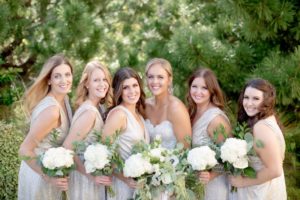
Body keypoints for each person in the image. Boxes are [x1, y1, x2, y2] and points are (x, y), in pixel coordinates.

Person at [18, 54, 73, 200]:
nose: (64, 80)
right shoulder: (52, 111)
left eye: (67, 74)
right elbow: (24, 150)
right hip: (39, 176)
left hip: (52, 175)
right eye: (57, 76)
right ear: (49, 80)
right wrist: (48, 177)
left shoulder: (65, 99)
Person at [63, 60, 113, 199]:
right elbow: (67, 148)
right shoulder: (89, 112)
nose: (102, 84)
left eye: (105, 80)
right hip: (84, 181)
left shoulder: (98, 108)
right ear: (86, 83)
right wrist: (90, 176)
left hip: (93, 178)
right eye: (96, 80)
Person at [229, 78, 286, 200]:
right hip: (263, 189)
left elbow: (275, 170)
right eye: (246, 97)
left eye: (255, 99)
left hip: (260, 193)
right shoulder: (266, 119)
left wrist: (242, 182)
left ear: (266, 101)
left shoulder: (261, 127)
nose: (249, 103)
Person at [144, 58, 192, 199]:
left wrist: (175, 185)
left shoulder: (176, 108)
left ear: (169, 79)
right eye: (151, 77)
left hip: (171, 182)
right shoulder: (144, 106)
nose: (155, 81)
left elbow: (185, 151)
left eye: (160, 77)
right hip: (147, 180)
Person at [102, 67, 149, 200]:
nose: (132, 91)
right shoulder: (119, 114)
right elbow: (105, 154)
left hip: (139, 186)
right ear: (119, 91)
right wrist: (125, 178)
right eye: (125, 87)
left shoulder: (139, 114)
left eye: (135, 85)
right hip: (123, 185)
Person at [187, 68, 231, 200]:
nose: (198, 92)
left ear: (212, 91)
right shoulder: (191, 112)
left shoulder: (216, 119)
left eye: (204, 88)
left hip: (213, 188)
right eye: (194, 86)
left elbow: (230, 158)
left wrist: (211, 175)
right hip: (195, 186)